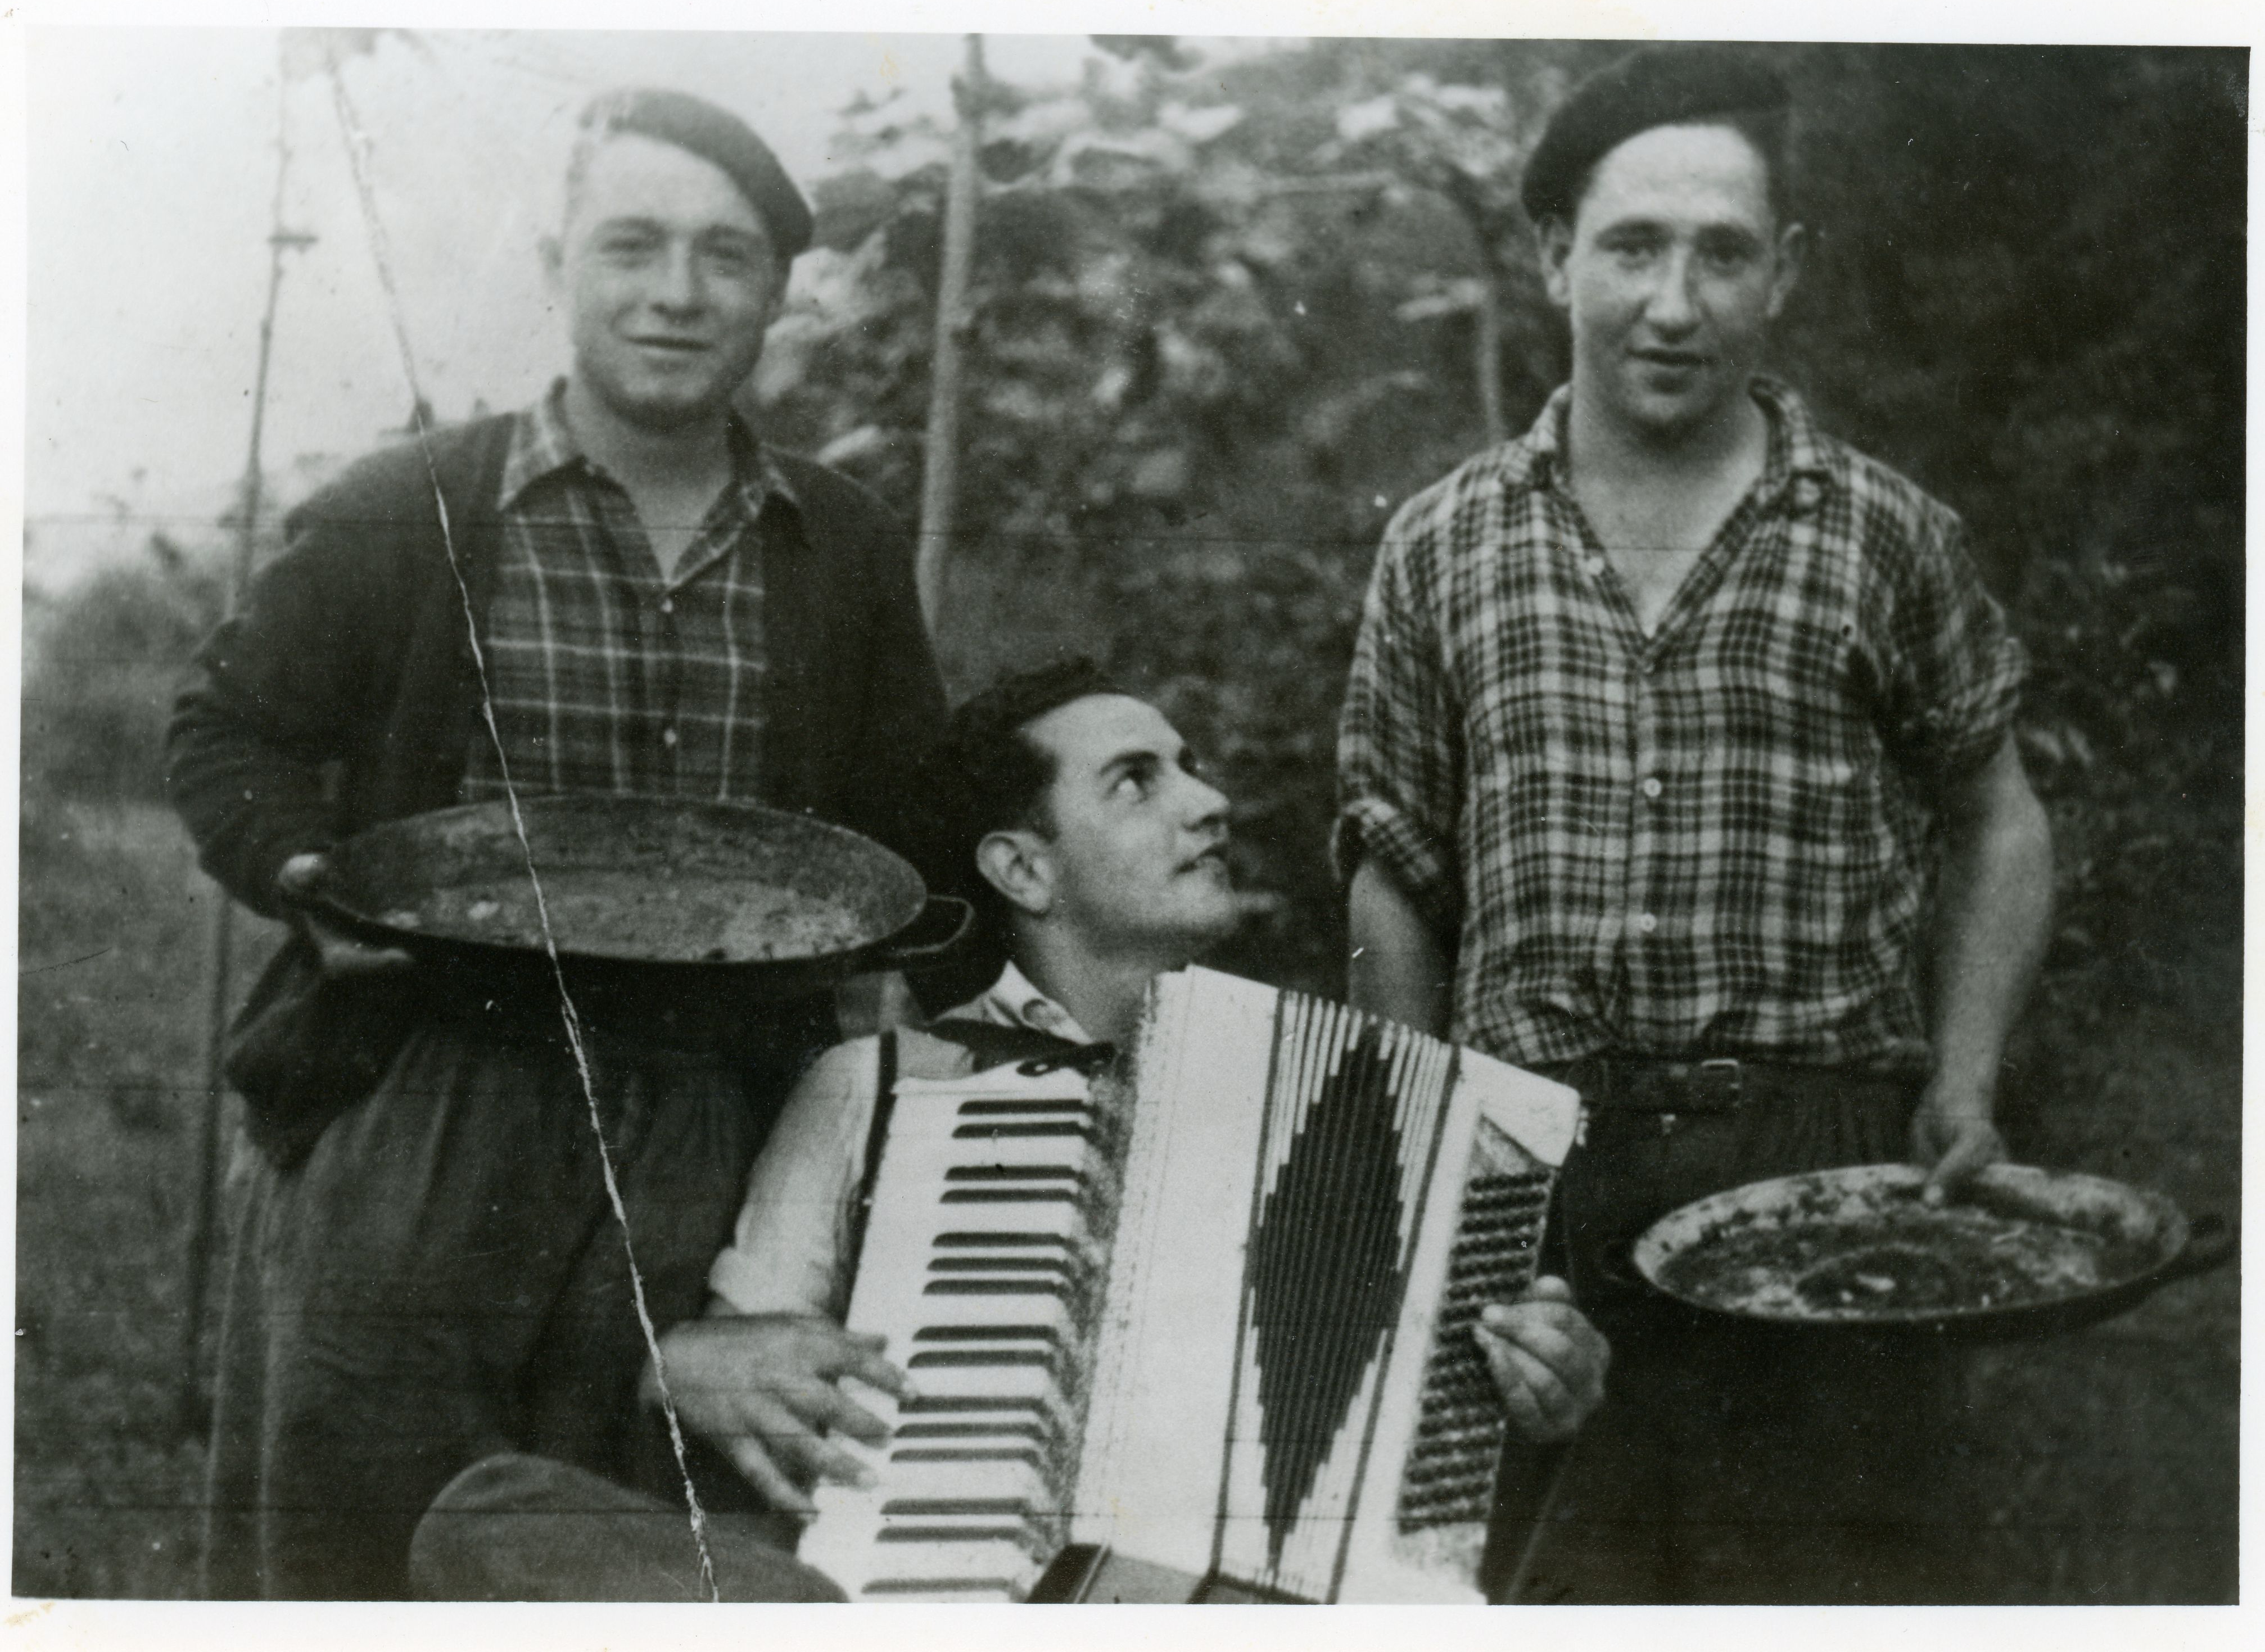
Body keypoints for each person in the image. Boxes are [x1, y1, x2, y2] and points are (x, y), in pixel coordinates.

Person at [166, 88, 946, 1599]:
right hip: (426, 1098)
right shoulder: (414, 506)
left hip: (710, 1115)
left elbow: (904, 815)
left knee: (623, 1546)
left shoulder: (839, 541)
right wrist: (305, 873)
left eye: (724, 255)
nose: (676, 293)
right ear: (558, 264)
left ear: (776, 292)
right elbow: (226, 726)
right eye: (631, 246)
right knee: (367, 1540)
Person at [409, 660, 1610, 1600]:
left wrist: (1537, 1375)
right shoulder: (873, 1084)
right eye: (1136, 780)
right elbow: (744, 1372)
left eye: (1190, 769)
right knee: (492, 1513)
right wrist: (689, 1361)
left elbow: (1422, 1447)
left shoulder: (1336, 1103)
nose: (1208, 803)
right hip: (910, 1598)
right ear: (1022, 869)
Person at [1335, 48, 2054, 1603]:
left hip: (1814, 1158)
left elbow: (1995, 819)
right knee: (1533, 1588)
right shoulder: (1442, 542)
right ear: (1554, 256)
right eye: (1630, 247)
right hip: (1533, 1163)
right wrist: (1423, 1162)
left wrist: (1960, 1079)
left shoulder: (1881, 531)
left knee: (1826, 1589)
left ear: (1780, 271)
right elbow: (1394, 869)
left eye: (1721, 254)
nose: (1672, 303)